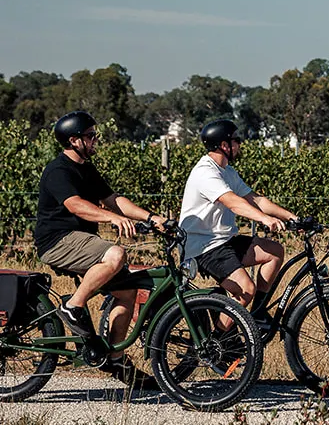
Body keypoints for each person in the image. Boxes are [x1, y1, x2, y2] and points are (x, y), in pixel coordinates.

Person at [35, 111, 167, 381]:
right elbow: (75, 205)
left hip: (80, 241)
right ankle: (73, 306)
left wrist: (152, 218)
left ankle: (115, 361)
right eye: (90, 136)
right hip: (57, 241)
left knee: (128, 292)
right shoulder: (58, 170)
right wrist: (113, 219)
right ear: (74, 140)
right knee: (116, 253)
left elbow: (113, 199)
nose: (96, 140)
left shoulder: (86, 168)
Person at [178, 119, 295, 316]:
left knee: (274, 251)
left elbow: (255, 199)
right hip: (204, 246)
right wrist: (264, 219)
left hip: (223, 240)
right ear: (224, 145)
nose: (239, 145)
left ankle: (258, 314)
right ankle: (220, 339)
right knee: (245, 289)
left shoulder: (227, 171)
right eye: (236, 140)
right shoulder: (205, 173)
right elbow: (232, 201)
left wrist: (291, 217)